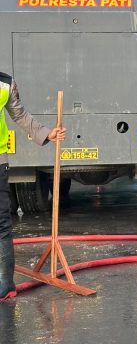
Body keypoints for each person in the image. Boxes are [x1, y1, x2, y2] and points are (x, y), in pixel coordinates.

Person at [0, 74, 67, 301]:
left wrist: (45, 133)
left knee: (1, 225)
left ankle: (6, 284)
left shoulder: (5, 84)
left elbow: (19, 114)